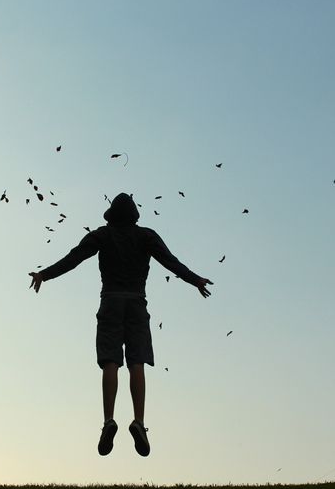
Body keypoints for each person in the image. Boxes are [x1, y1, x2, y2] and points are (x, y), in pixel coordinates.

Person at [29, 193, 213, 457]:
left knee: (110, 362)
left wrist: (44, 274)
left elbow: (75, 257)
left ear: (111, 216)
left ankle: (108, 421)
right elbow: (170, 261)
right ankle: (139, 421)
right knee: (137, 363)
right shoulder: (146, 236)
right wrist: (195, 280)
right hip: (137, 303)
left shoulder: (102, 235)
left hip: (111, 302)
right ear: (135, 216)